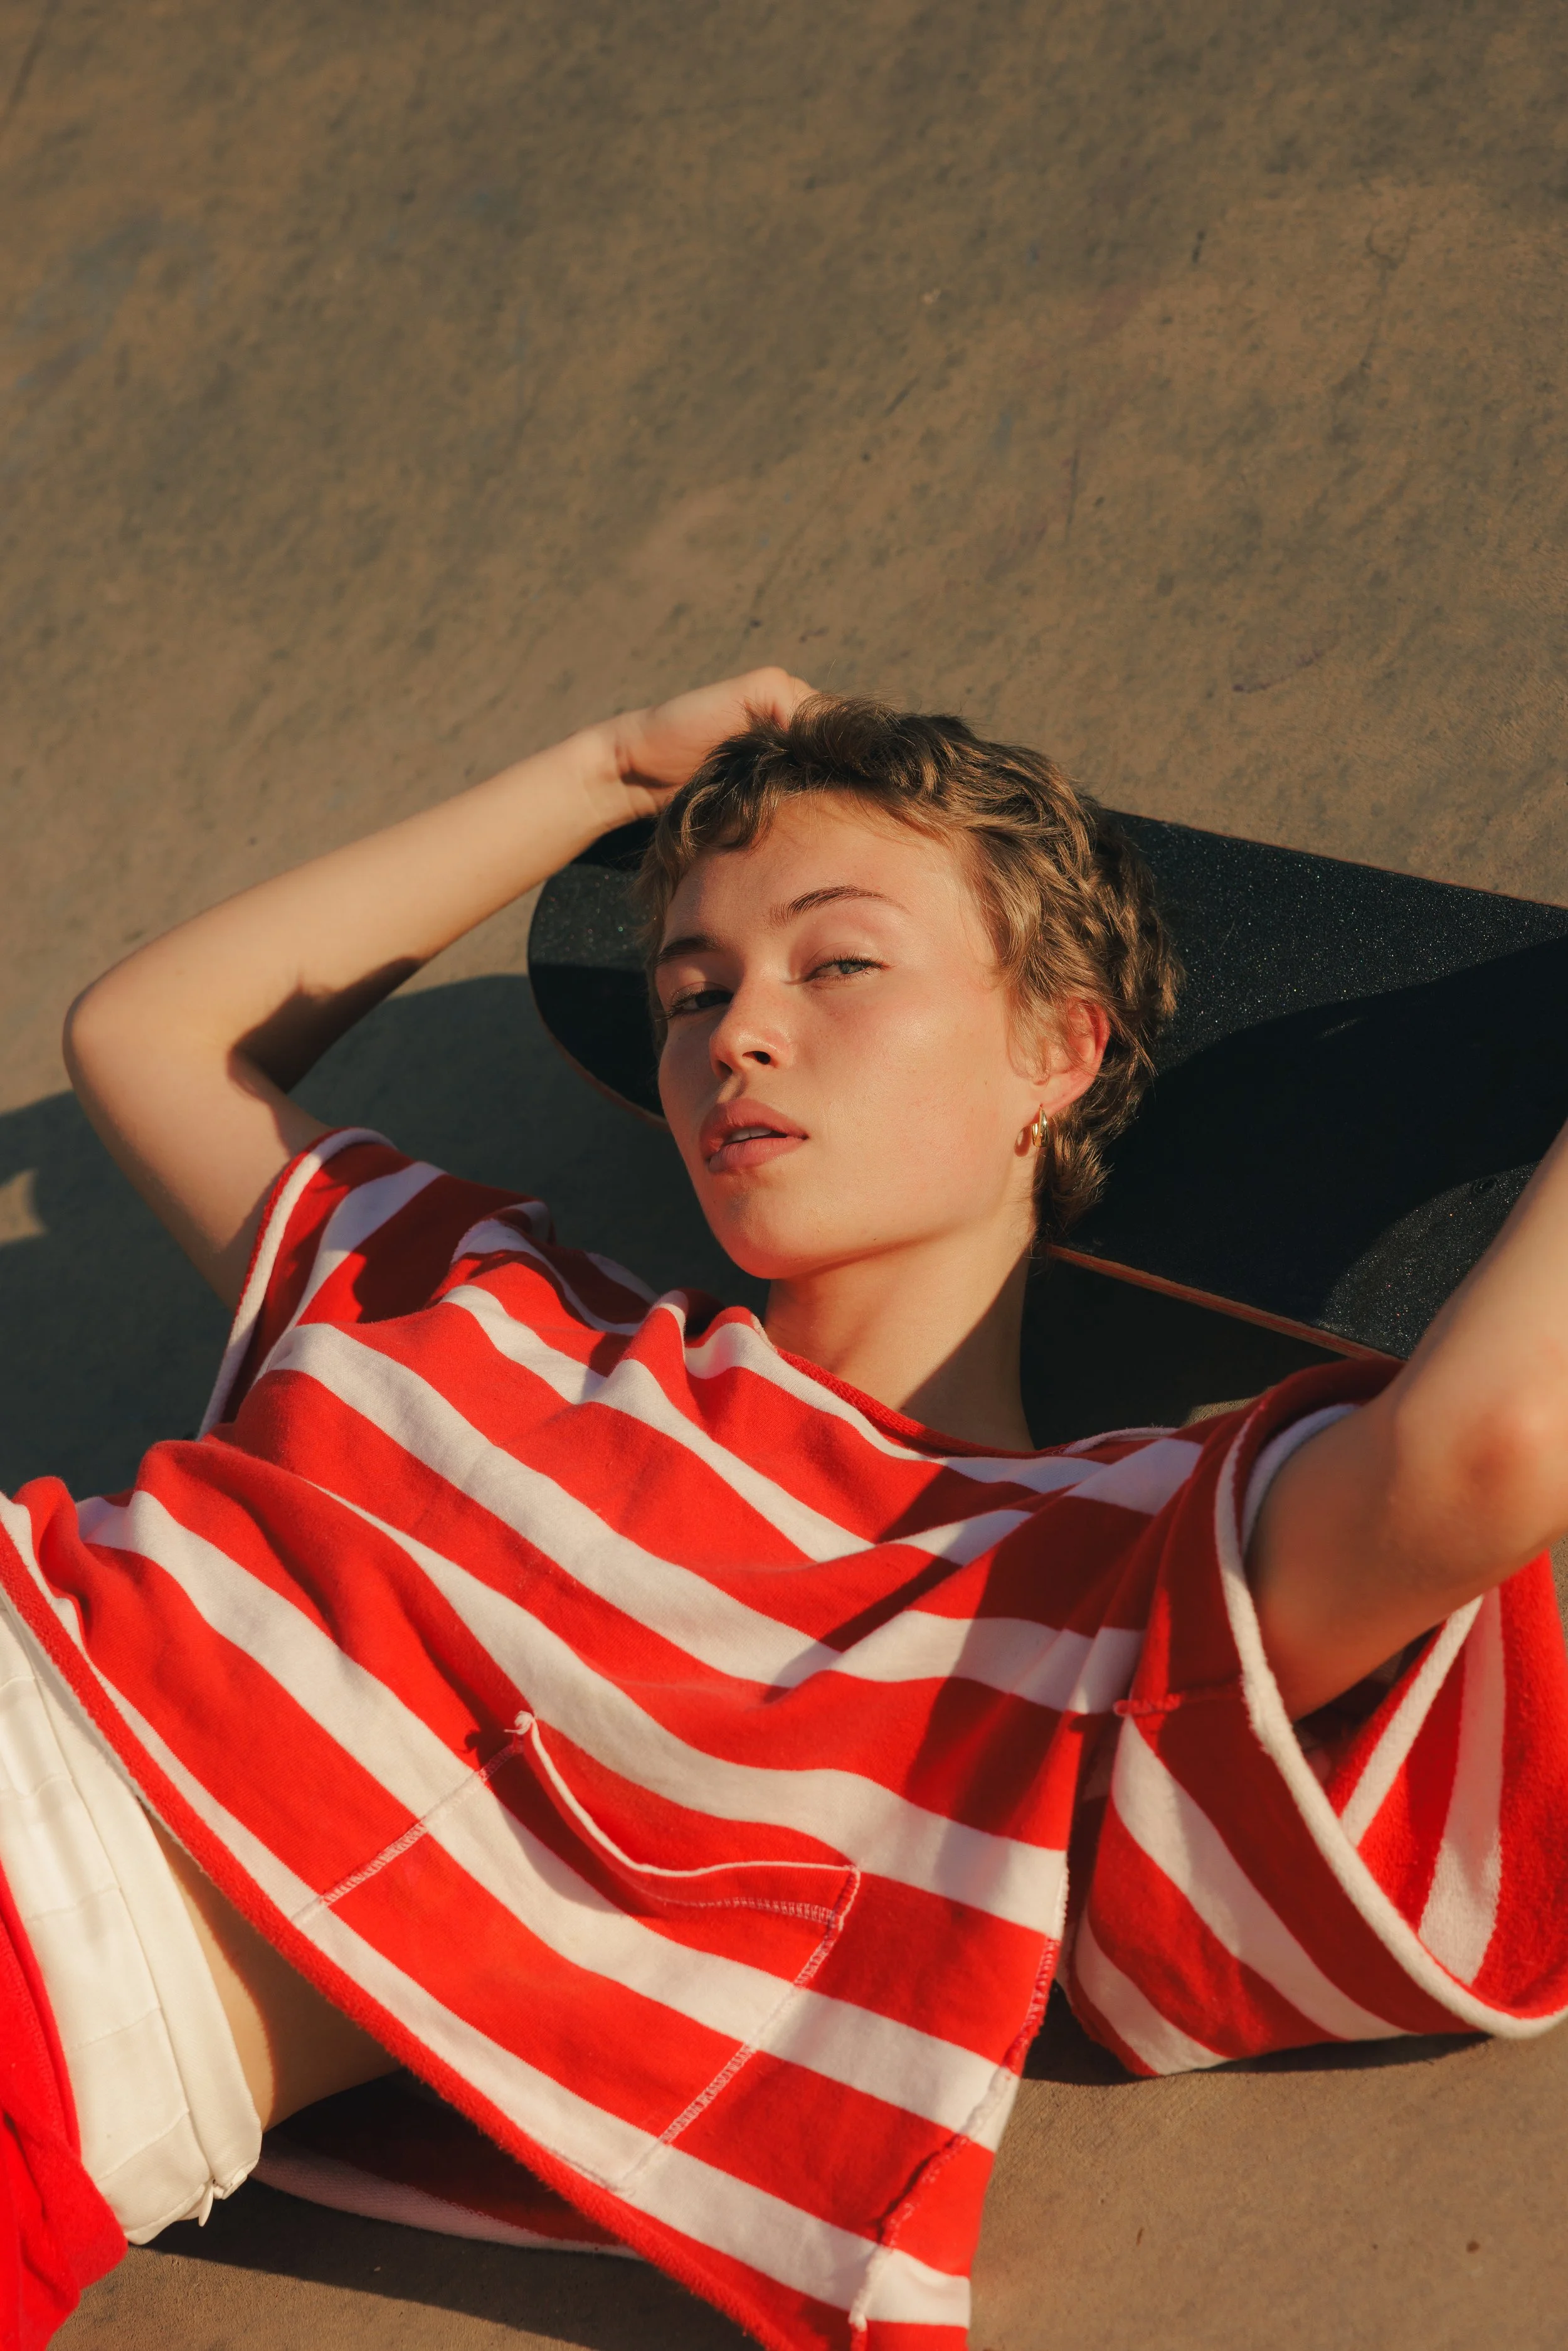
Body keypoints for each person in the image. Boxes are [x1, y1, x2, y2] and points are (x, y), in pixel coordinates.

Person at [2, 669, 1566, 2351]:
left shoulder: (1050, 1575)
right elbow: (149, 1038)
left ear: (1057, 1045)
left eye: (839, 964)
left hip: (77, 2060)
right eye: (692, 990)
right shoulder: (485, 1306)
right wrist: (608, 766)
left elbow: (1487, 1445)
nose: (734, 1033)